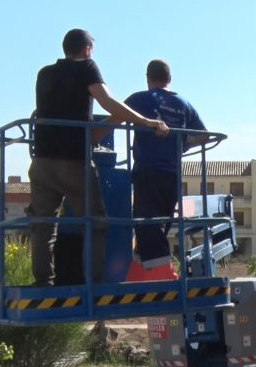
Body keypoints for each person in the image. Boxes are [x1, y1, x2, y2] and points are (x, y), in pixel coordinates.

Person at [29, 28, 169, 287]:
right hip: (73, 161)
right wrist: (145, 121)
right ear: (87, 50)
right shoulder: (87, 67)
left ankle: (42, 281)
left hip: (41, 161)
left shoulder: (44, 74)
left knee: (43, 223)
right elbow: (108, 102)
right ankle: (94, 283)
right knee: (96, 222)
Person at [122, 59, 207, 274]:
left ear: (148, 78)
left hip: (148, 172)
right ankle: (141, 274)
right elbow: (204, 136)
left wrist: (94, 137)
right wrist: (183, 143)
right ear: (169, 79)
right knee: (157, 226)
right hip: (172, 175)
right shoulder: (184, 105)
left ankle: (163, 275)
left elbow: (117, 116)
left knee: (148, 226)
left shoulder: (140, 99)